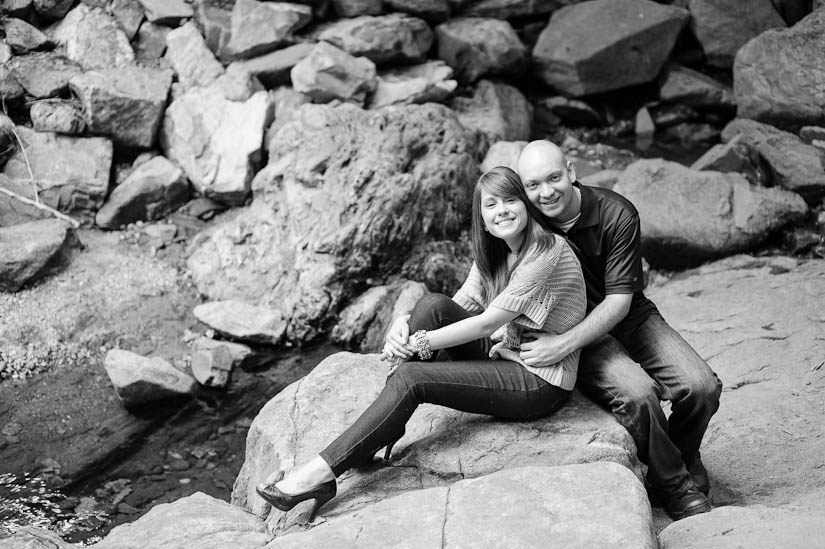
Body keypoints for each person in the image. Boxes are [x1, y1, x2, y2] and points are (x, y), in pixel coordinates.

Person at [256, 166, 587, 521]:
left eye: (511, 200)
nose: (502, 210)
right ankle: (382, 427)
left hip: (538, 380)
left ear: (527, 206)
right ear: (483, 220)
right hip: (504, 355)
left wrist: (419, 341)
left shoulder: (547, 252)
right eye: (492, 205)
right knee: (431, 304)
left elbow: (487, 323)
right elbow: (457, 308)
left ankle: (319, 476)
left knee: (412, 378)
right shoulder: (496, 251)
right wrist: (405, 323)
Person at [514, 140, 723, 521]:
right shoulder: (525, 218)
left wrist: (561, 346)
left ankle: (678, 457)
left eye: (554, 178)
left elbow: (620, 302)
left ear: (572, 171)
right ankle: (676, 486)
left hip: (628, 315)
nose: (545, 193)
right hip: (577, 325)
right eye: (533, 185)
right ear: (523, 189)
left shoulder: (616, 213)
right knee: (639, 394)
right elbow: (486, 272)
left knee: (702, 387)